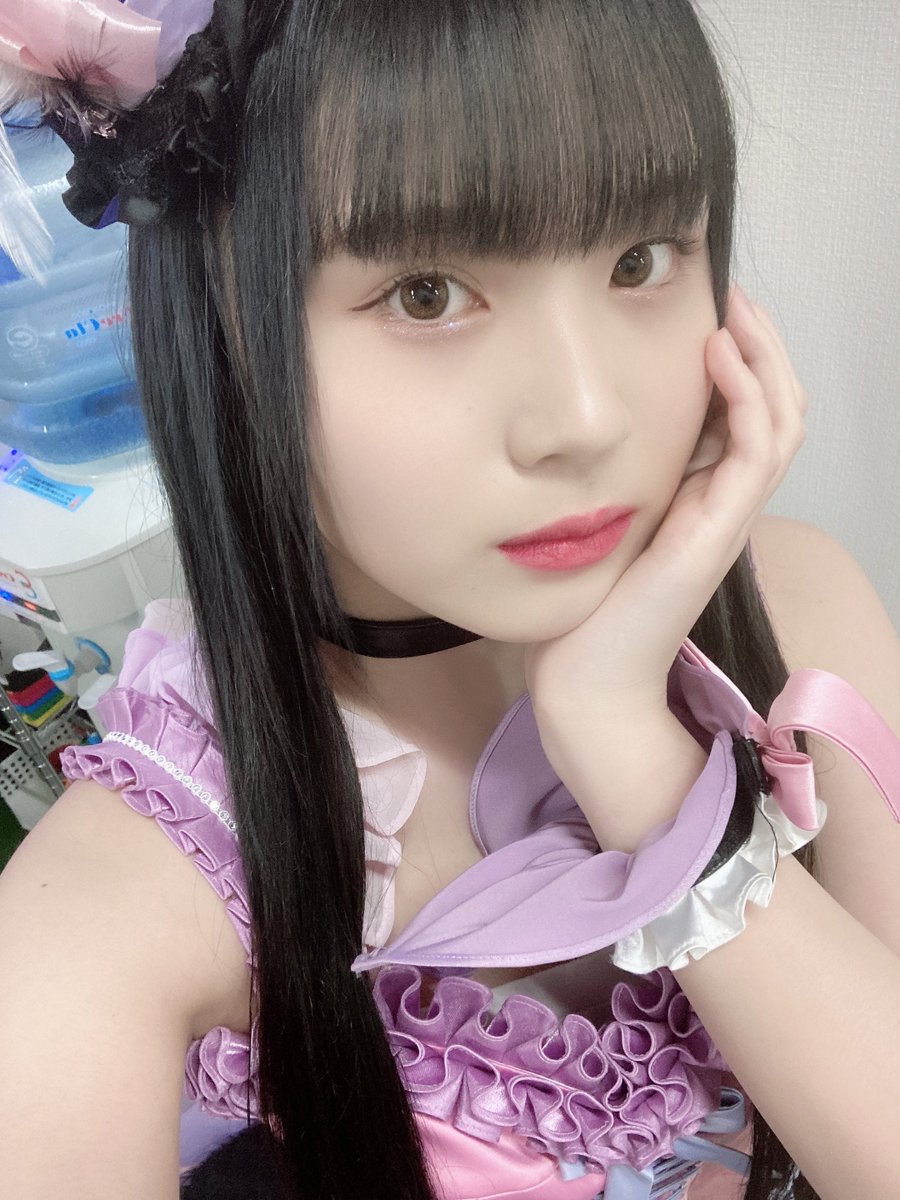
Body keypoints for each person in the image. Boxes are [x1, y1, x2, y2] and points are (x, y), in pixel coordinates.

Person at [1, 2, 899, 1198]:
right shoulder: (106, 920)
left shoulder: (799, 610)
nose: (586, 419)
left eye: (640, 259)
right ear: (224, 323)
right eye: (426, 294)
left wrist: (633, 751)